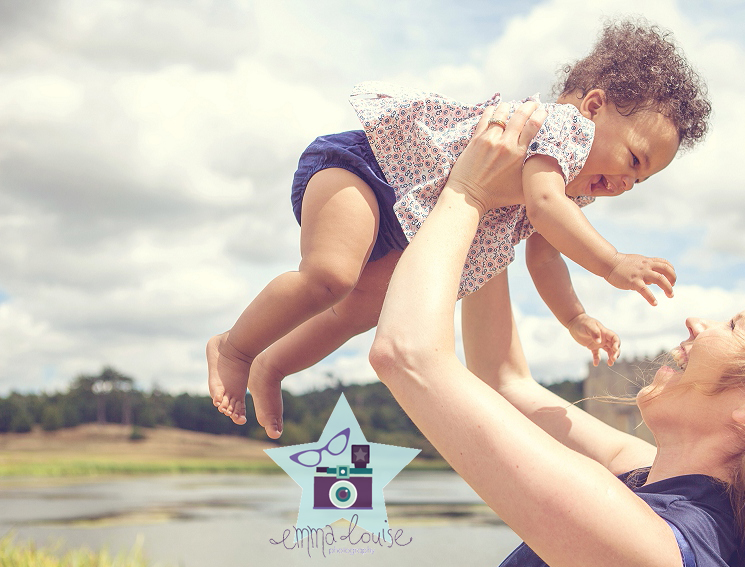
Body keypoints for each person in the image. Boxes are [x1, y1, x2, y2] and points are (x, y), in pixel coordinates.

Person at [369, 103, 745, 567]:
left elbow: (409, 355)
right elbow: (505, 382)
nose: (699, 322)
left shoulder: (655, 551)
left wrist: (464, 191)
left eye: (735, 327)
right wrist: (499, 213)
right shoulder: (654, 481)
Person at [207, 19, 711, 438]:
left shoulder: (570, 191)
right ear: (595, 107)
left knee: (358, 311)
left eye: (640, 179)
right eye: (633, 158)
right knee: (330, 276)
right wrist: (613, 262)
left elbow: (545, 254)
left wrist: (574, 316)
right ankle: (234, 347)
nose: (626, 181)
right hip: (367, 172)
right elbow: (542, 207)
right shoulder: (562, 128)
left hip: (404, 228)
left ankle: (271, 365)